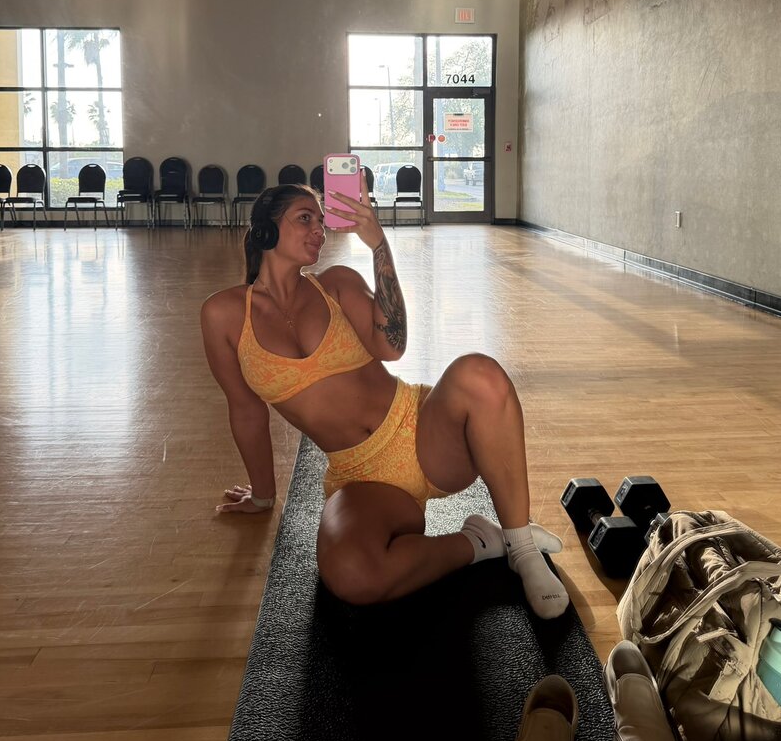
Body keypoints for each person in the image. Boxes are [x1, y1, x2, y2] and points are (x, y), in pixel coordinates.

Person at [201, 174, 569, 619]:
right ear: (265, 229)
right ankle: (481, 542)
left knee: (480, 373)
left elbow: (393, 346)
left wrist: (378, 245)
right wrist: (263, 496)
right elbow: (246, 411)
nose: (319, 230)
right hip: (361, 478)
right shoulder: (224, 314)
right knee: (351, 575)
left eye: (322, 221)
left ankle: (522, 547)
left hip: (423, 431)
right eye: (305, 219)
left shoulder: (334, 284)